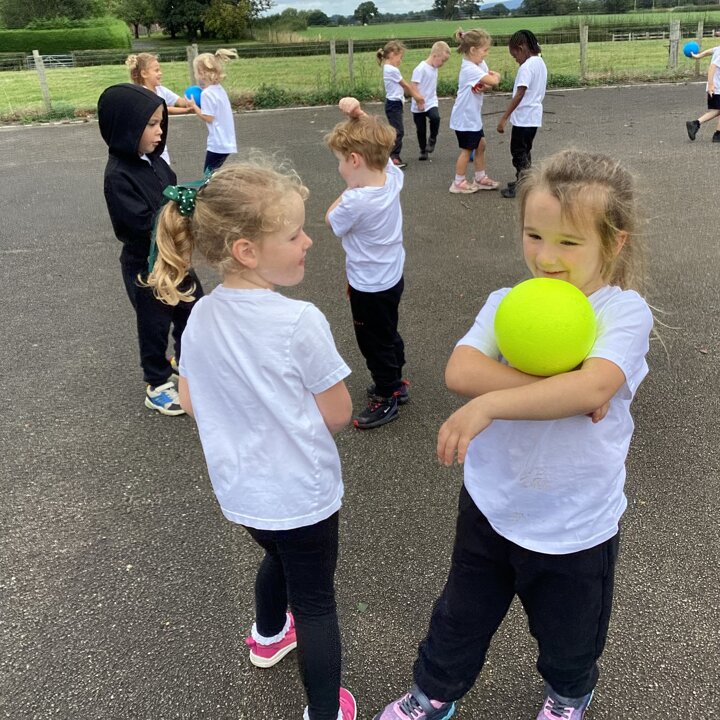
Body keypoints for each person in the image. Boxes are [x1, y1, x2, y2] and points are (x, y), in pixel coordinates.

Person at [373, 149, 653, 720]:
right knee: (459, 616)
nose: (546, 257)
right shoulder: (506, 302)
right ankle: (433, 693)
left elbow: (595, 387)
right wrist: (564, 390)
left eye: (569, 242)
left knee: (570, 634)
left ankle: (568, 695)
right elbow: (461, 370)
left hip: (575, 524)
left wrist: (496, 403)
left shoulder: (623, 313)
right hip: (492, 504)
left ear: (614, 242)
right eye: (534, 235)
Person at [144, 163, 357, 720]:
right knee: (315, 602)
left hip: (242, 493)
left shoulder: (201, 316)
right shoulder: (299, 322)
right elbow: (338, 413)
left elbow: (191, 399)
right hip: (302, 494)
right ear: (246, 250)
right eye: (295, 235)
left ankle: (266, 635)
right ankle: (325, 711)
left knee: (278, 556)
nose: (308, 242)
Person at [98, 83, 203, 415]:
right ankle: (156, 383)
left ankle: (186, 361)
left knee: (193, 309)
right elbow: (137, 225)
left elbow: (172, 194)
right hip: (147, 265)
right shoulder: (118, 176)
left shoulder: (155, 162)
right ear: (126, 127)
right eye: (151, 124)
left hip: (176, 258)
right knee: (154, 325)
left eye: (161, 123)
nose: (160, 131)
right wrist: (176, 217)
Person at [325, 97, 409, 430]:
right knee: (387, 330)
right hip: (391, 276)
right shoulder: (392, 178)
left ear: (355, 160)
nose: (340, 169)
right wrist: (360, 117)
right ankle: (396, 379)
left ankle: (387, 394)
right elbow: (383, 152)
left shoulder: (356, 201)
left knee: (373, 341)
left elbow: (330, 220)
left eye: (341, 162)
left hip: (369, 285)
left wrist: (348, 189)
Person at [448, 28, 501, 195]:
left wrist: (485, 85)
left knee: (481, 145)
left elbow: (485, 83)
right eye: (484, 50)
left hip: (472, 116)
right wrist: (497, 77)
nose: (486, 54)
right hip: (464, 118)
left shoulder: (478, 64)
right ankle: (458, 182)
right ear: (473, 50)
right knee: (467, 149)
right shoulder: (469, 68)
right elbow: (492, 80)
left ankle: (480, 177)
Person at [497, 30, 548, 198]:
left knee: (518, 152)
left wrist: (504, 117)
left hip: (524, 118)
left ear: (521, 48)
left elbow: (519, 94)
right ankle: (524, 181)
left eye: (515, 56)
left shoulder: (526, 67)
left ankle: (523, 186)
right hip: (534, 117)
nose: (516, 60)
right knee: (525, 150)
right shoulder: (540, 62)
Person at [126, 52, 194, 165]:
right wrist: (186, 110)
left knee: (164, 168)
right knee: (148, 169)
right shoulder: (141, 93)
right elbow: (162, 109)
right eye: (156, 70)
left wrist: (192, 101)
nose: (160, 73)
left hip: (159, 141)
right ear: (144, 73)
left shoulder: (161, 90)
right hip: (144, 142)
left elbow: (180, 102)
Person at [377, 40, 425, 168]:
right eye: (400, 57)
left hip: (394, 103)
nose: (400, 60)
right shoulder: (392, 70)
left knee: (396, 130)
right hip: (393, 104)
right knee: (398, 132)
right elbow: (405, 85)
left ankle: (391, 157)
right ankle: (393, 157)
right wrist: (417, 97)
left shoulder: (388, 68)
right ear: (393, 54)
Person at [189, 49, 238, 171]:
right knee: (215, 173)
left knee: (208, 175)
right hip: (227, 141)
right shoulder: (219, 89)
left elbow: (209, 118)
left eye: (195, 72)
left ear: (201, 73)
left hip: (217, 144)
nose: (195, 75)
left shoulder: (206, 94)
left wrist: (194, 106)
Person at [410, 41, 451, 161]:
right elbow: (413, 86)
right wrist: (419, 101)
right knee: (421, 129)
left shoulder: (435, 67)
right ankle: (423, 150)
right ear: (434, 56)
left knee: (435, 118)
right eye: (442, 61)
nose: (442, 64)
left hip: (431, 101)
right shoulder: (420, 69)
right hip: (419, 103)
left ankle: (432, 139)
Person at [685, 41, 720, 142]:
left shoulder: (718, 49)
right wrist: (711, 85)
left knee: (717, 110)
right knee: (716, 110)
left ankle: (717, 134)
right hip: (716, 86)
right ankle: (696, 124)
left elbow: (710, 51)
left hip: (716, 85)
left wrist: (698, 56)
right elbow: (712, 67)